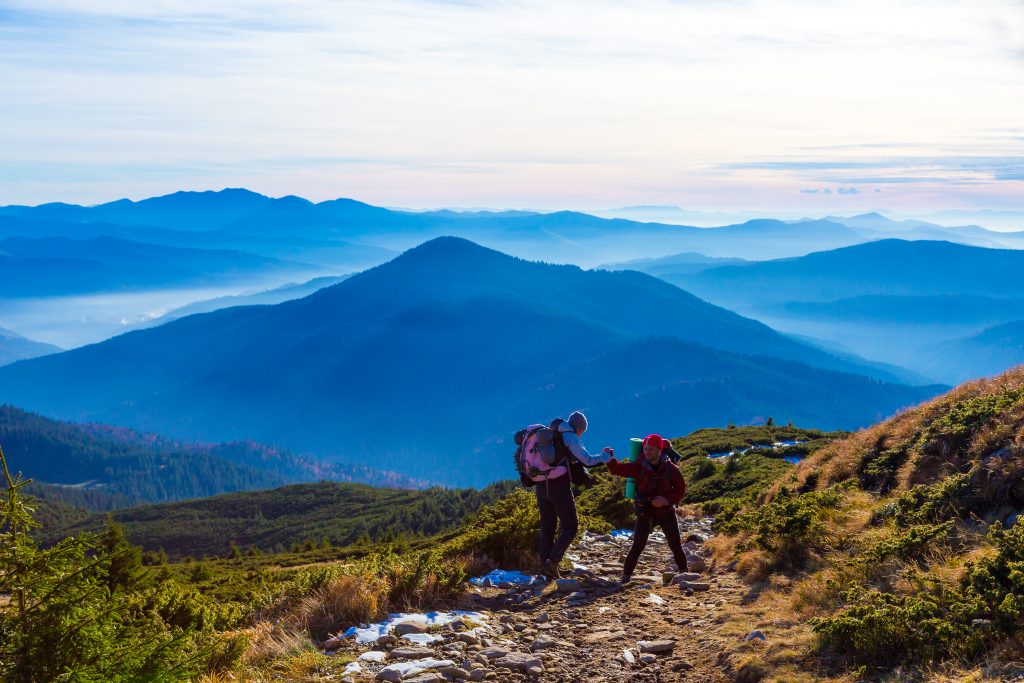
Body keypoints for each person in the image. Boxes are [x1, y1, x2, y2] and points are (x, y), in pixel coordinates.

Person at [535, 410, 613, 579]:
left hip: (541, 485)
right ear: (579, 428)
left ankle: (544, 566)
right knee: (570, 526)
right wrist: (604, 457)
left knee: (548, 526)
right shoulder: (570, 437)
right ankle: (552, 563)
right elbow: (588, 460)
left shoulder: (551, 435)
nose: (581, 434)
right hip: (558, 486)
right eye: (582, 431)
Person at [606, 433, 688, 583]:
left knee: (675, 544)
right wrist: (608, 458)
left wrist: (665, 500)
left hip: (666, 512)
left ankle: (685, 573)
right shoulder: (638, 467)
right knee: (637, 546)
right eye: (644, 448)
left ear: (659, 450)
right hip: (645, 513)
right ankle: (625, 578)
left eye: (650, 449)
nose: (646, 452)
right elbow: (617, 469)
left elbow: (680, 490)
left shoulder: (671, 468)